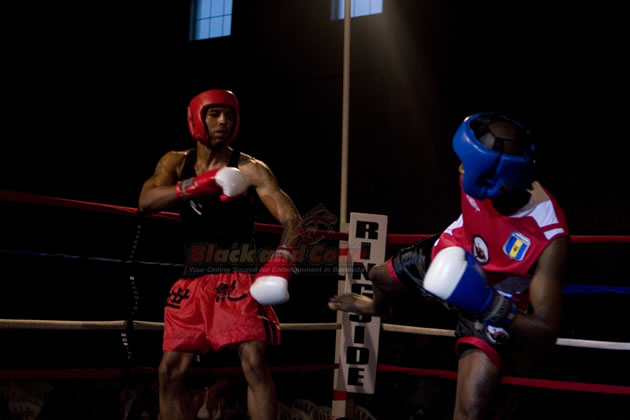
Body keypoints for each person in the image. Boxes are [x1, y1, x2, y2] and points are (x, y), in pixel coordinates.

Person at [328, 113, 569, 420]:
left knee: (470, 409)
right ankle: (377, 307)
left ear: (495, 181)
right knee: (377, 275)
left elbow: (547, 329)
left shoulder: (548, 235)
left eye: (469, 165)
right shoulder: (478, 179)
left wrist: (487, 304)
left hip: (497, 297)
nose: (460, 168)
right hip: (453, 248)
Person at [138, 89, 302, 420]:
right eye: (214, 114)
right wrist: (199, 184)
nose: (223, 121)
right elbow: (146, 202)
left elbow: (292, 219)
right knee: (169, 371)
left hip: (238, 278)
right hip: (192, 281)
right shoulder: (176, 162)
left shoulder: (251, 169)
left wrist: (281, 260)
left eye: (229, 115)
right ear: (196, 119)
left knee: (254, 361)